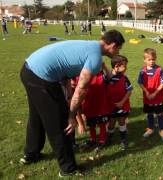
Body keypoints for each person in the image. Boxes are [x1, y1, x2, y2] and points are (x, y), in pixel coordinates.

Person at [19, 30, 125, 177]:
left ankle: (31, 154)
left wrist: (67, 98)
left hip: (28, 69)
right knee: (61, 124)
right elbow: (81, 89)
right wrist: (71, 115)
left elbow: (66, 74)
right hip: (41, 77)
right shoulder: (95, 58)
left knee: (37, 116)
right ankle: (68, 169)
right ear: (112, 45)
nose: (118, 52)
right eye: (119, 48)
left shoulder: (90, 46)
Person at [137, 48, 163, 141]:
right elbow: (140, 82)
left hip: (157, 96)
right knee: (149, 113)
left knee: (159, 113)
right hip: (147, 97)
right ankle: (150, 128)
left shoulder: (159, 69)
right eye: (149, 59)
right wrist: (146, 92)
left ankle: (161, 130)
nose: (151, 61)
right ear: (144, 60)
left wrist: (155, 93)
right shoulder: (142, 71)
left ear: (156, 58)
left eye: (153, 59)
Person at [104, 55, 132, 150]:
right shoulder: (107, 78)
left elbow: (129, 90)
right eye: (124, 66)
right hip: (110, 106)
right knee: (111, 123)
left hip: (122, 105)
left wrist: (121, 102)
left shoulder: (125, 78)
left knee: (122, 121)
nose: (126, 68)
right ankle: (109, 138)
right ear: (116, 66)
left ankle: (123, 140)